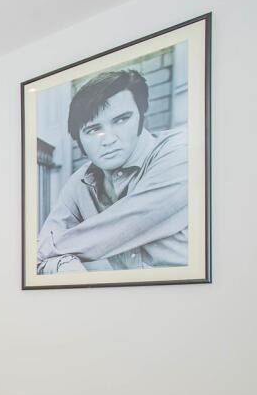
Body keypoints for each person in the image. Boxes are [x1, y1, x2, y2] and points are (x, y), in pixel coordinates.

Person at [36, 69, 187, 274]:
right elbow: (43, 253)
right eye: (93, 129)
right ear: (79, 139)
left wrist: (44, 254)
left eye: (121, 120)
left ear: (141, 118)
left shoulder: (180, 153)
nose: (108, 139)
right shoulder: (79, 183)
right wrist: (63, 264)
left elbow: (125, 226)